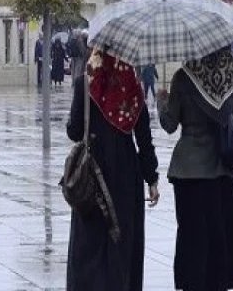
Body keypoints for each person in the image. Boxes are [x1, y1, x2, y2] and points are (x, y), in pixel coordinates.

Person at [157, 49, 233, 291]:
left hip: (188, 170)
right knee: (220, 238)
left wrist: (161, 101)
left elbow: (169, 124)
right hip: (222, 171)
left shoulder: (183, 77)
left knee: (192, 236)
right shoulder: (231, 77)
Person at [65, 47, 160, 291]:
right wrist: (152, 180)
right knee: (121, 241)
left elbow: (74, 131)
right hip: (125, 175)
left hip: (92, 174)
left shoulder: (84, 84)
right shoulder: (133, 87)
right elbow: (144, 140)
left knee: (90, 242)